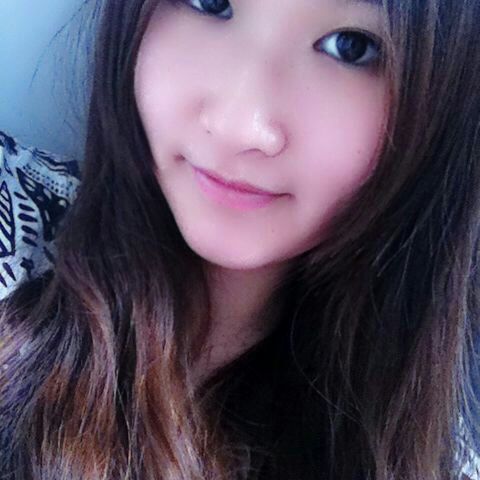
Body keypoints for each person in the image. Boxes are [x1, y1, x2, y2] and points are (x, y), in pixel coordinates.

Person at [0, 0, 479, 478]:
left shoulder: (433, 457)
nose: (239, 127)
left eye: (351, 47)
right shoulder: (16, 229)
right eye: (211, 3)